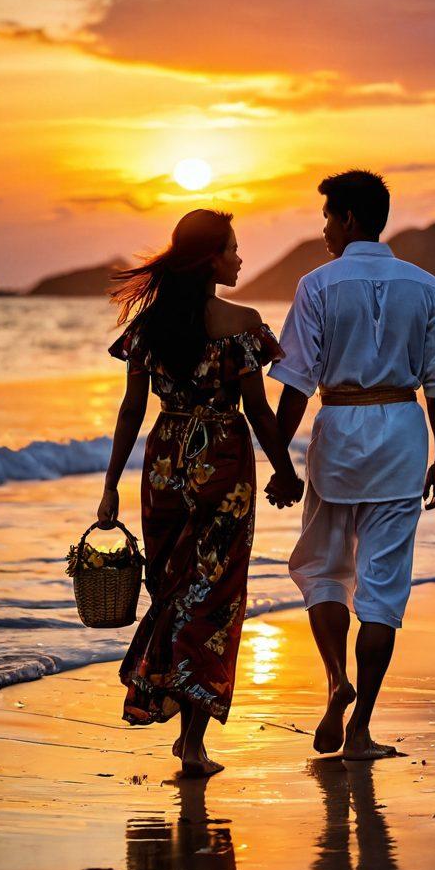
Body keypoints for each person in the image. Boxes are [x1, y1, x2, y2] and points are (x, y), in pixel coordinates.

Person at [268, 170, 435, 760]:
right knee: (382, 589)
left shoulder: (317, 285)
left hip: (338, 435)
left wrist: (281, 462)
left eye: (329, 216)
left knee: (322, 568)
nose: (325, 228)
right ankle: (360, 732)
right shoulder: (424, 285)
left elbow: (295, 384)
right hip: (402, 438)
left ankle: (336, 679)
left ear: (350, 218)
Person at [98, 209, 303, 777]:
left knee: (171, 590)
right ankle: (191, 739)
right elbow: (258, 411)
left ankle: (164, 699)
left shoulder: (150, 327)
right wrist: (284, 470)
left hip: (164, 466)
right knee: (212, 598)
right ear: (210, 258)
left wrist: (111, 484)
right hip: (223, 466)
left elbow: (132, 412)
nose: (240, 258)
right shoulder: (241, 323)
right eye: (233, 249)